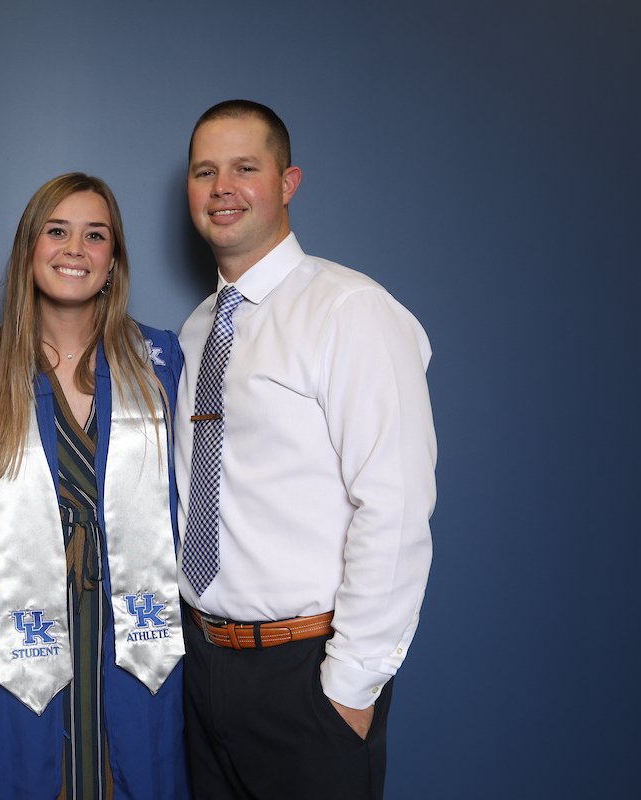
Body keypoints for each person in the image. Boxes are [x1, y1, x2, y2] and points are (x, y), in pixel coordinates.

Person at [175, 100, 437, 799]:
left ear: (287, 183)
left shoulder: (350, 310)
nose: (222, 188)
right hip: (202, 668)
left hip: (306, 674)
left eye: (245, 168)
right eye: (205, 172)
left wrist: (350, 687)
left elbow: (396, 506)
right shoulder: (196, 331)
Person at [0, 173, 189, 800]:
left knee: (133, 768)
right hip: (20, 631)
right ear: (29, 247)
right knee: (25, 772)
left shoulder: (160, 363)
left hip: (132, 627)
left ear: (113, 261)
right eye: (57, 231)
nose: (75, 249)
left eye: (95, 235)